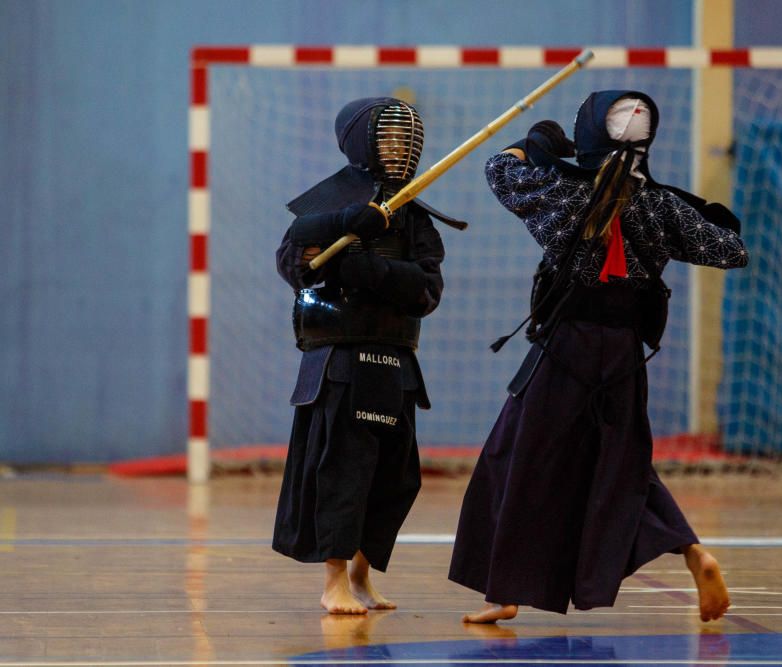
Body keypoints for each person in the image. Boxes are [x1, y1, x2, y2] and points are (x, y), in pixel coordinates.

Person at [448, 90, 747, 624]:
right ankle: (693, 551)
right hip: (623, 356)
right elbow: (730, 249)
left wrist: (537, 143)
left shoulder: (560, 193)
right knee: (623, 467)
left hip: (566, 350)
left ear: (587, 138)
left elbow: (499, 170)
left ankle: (504, 591)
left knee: (514, 458)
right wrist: (688, 207)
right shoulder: (658, 205)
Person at [273, 97, 466, 615]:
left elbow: (426, 290)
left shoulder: (414, 218)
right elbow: (297, 266)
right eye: (388, 138)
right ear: (362, 141)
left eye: (407, 140)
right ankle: (333, 579)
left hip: (398, 363)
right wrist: (341, 230)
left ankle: (362, 572)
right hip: (339, 363)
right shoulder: (323, 207)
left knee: (397, 478)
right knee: (342, 470)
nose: (399, 149)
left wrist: (367, 270)